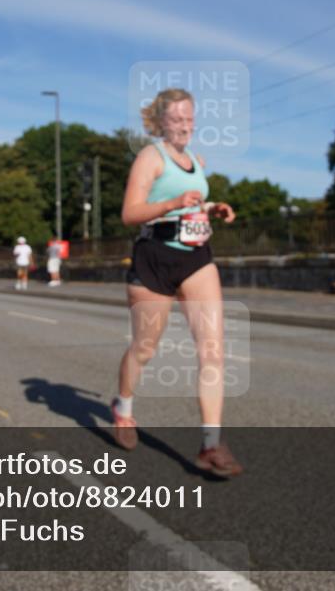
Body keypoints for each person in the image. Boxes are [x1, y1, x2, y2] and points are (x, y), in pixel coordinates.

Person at [113, 88, 241, 477]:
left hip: (196, 258)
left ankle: (211, 445)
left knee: (213, 350)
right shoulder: (150, 157)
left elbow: (191, 202)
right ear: (161, 122)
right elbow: (130, 213)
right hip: (154, 259)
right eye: (177, 119)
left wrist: (210, 207)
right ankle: (123, 407)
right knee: (145, 348)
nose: (185, 125)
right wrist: (171, 204)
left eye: (190, 118)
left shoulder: (196, 161)